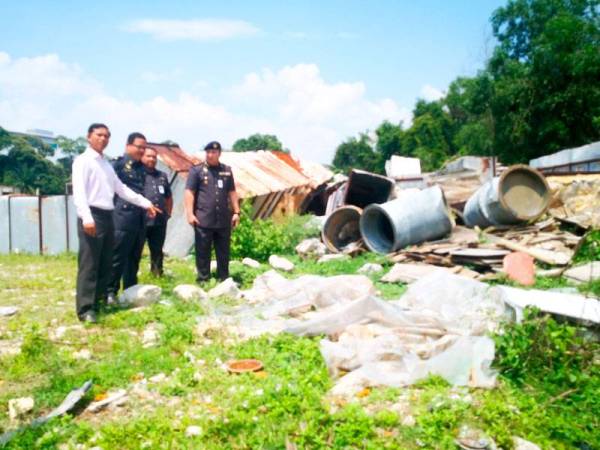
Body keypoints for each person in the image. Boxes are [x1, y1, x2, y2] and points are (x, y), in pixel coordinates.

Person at [72, 124, 159, 323]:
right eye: (99, 135)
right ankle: (85, 309)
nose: (103, 139)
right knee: (90, 264)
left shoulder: (105, 164)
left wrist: (146, 203)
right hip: (92, 215)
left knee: (105, 262)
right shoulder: (83, 161)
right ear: (89, 137)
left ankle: (99, 302)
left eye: (107, 136)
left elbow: (121, 189)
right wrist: (86, 217)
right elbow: (79, 192)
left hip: (108, 215)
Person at [184, 141, 240, 282]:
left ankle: (223, 277)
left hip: (223, 219)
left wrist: (236, 212)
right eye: (208, 152)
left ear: (219, 154)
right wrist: (190, 214)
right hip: (203, 219)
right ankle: (203, 279)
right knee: (203, 251)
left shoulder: (226, 171)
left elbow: (232, 192)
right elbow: (189, 192)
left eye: (213, 152)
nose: (210, 155)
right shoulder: (196, 171)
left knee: (223, 251)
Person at [107, 132, 150, 304]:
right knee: (117, 257)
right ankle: (110, 291)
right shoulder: (117, 165)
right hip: (121, 217)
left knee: (134, 256)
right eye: (138, 146)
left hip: (139, 218)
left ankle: (130, 290)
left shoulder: (142, 168)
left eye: (144, 147)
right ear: (128, 146)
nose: (141, 150)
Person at [141, 146, 173, 276]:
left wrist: (168, 214)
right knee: (135, 249)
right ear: (142, 157)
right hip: (141, 220)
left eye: (154, 157)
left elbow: (169, 197)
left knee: (157, 249)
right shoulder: (137, 175)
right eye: (148, 156)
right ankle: (131, 277)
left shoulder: (162, 176)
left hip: (159, 220)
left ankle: (157, 273)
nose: (152, 159)